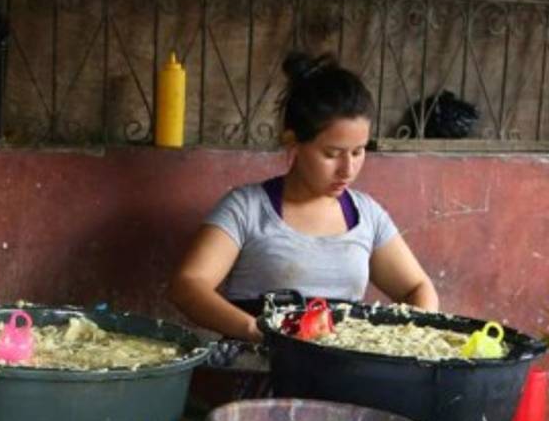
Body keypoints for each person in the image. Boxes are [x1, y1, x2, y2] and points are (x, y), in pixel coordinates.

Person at [169, 51, 438, 342]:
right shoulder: (247, 208)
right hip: (259, 361)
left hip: (342, 365)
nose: (347, 169)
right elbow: (188, 285)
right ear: (293, 142)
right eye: (331, 154)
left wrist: (409, 340)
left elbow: (418, 288)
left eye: (358, 152)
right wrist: (257, 331)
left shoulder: (366, 215)